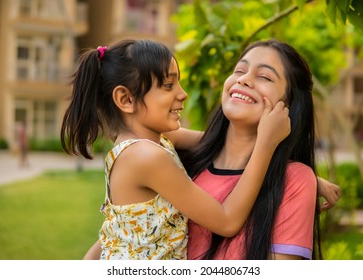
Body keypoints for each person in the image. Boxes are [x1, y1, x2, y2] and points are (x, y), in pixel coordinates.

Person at [61, 39, 290, 260]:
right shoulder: (146, 157)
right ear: (126, 99)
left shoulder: (151, 140)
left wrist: (293, 173)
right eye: (168, 85)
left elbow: (224, 146)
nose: (183, 94)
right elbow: (227, 221)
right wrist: (265, 144)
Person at [171, 38, 341, 260]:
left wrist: (282, 162)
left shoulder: (295, 180)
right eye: (240, 70)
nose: (244, 80)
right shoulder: (180, 162)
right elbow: (145, 131)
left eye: (265, 77)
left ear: (288, 104)